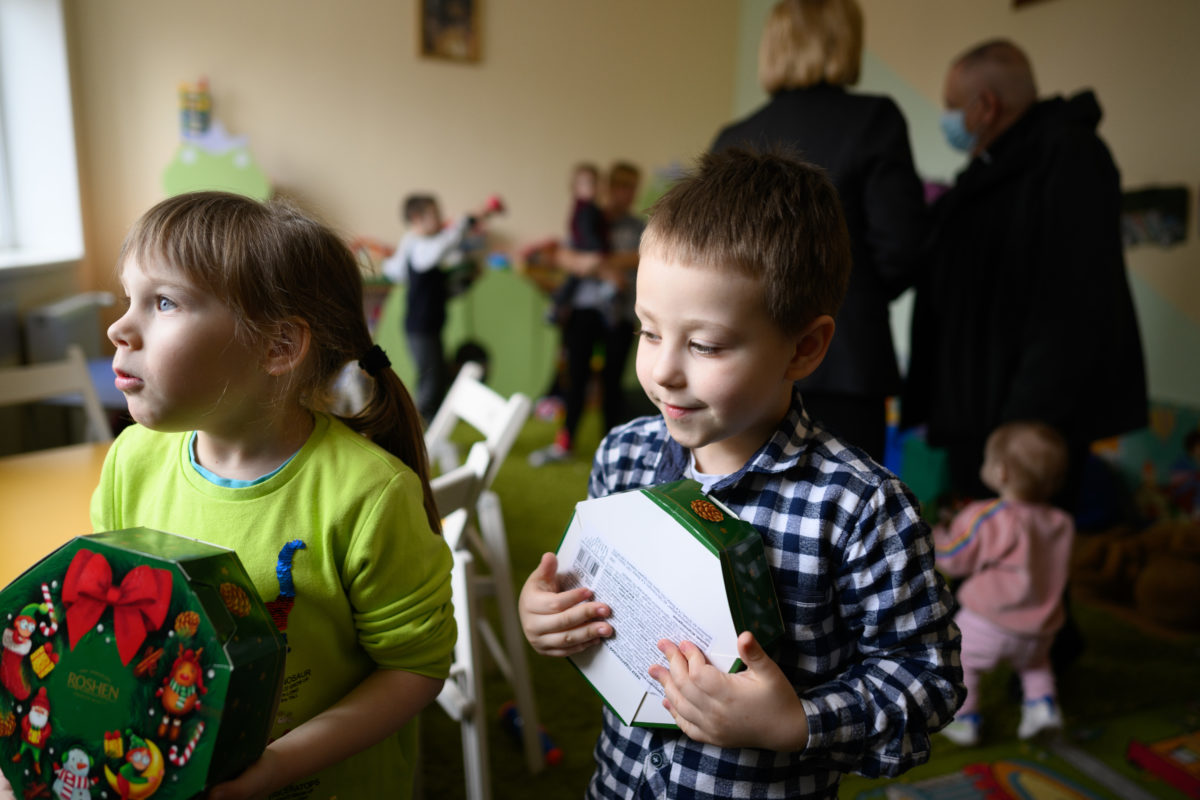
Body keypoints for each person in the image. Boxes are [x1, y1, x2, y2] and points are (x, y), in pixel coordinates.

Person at [518, 149, 963, 798]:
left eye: (704, 344)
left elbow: (929, 681)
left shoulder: (862, 508)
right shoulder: (623, 455)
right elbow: (595, 601)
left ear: (804, 347)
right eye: (647, 332)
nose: (664, 370)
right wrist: (551, 615)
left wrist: (797, 722)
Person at [89, 191, 456, 799]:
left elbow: (414, 668)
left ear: (278, 348)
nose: (119, 327)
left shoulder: (368, 494)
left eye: (163, 302)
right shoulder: (131, 460)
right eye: (130, 298)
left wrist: (277, 767)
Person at [904, 39, 1147, 509]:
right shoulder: (987, 169)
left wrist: (1027, 419)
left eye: (952, 107)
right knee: (979, 567)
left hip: (1028, 428)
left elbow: (1074, 296)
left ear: (987, 106)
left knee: (1026, 567)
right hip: (974, 417)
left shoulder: (1069, 154)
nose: (949, 119)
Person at [710, 0, 925, 464]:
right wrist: (846, 297)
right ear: (846, 42)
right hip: (847, 358)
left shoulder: (732, 138)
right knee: (850, 520)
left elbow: (711, 266)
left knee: (739, 512)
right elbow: (902, 249)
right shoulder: (875, 120)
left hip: (744, 361)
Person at [933, 422, 1075, 746]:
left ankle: (964, 718)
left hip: (989, 622)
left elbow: (956, 556)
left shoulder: (990, 514)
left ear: (1001, 473)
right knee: (1036, 667)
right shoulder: (1061, 522)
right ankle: (1043, 709)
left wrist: (934, 538)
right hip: (1040, 629)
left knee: (959, 658)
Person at [531, 162, 645, 466]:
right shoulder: (590, 218)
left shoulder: (638, 227)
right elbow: (565, 258)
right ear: (608, 187)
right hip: (583, 311)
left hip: (620, 314)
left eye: (632, 186)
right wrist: (605, 267)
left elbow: (643, 256)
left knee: (612, 384)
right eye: (620, 185)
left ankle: (611, 449)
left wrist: (597, 262)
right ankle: (565, 442)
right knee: (575, 379)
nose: (626, 193)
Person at [376, 193, 501, 422]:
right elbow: (433, 253)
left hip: (430, 325)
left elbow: (419, 275)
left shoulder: (419, 246)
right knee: (431, 379)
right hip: (420, 327)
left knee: (437, 375)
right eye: (435, 214)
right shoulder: (420, 246)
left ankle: (430, 425)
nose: (441, 219)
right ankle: (422, 427)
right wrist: (464, 224)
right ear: (417, 218)